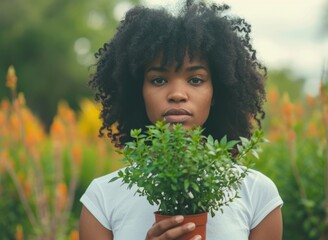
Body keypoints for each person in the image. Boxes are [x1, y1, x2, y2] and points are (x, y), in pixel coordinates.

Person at [79, 0, 283, 239]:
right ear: (138, 92)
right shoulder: (102, 199)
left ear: (217, 92)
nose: (177, 94)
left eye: (196, 80)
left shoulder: (258, 195)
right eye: (159, 80)